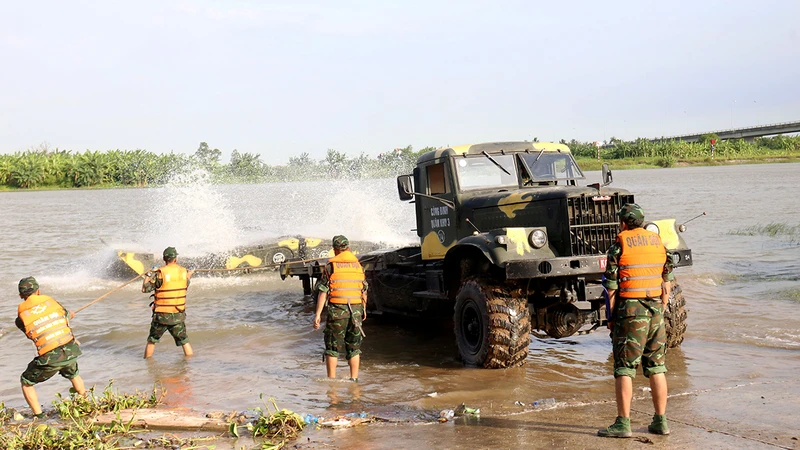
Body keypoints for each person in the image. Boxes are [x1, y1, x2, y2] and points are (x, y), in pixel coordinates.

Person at [598, 203, 674, 438]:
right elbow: (667, 282)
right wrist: (660, 307)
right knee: (657, 367)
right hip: (655, 311)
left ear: (622, 223)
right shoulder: (658, 242)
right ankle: (660, 422)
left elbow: (610, 288)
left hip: (630, 312)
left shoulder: (619, 245)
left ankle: (623, 423)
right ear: (642, 221)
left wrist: (611, 317)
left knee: (624, 368)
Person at [15, 277, 86, 419]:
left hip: (50, 356)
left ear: (21, 296)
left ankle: (39, 416)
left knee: (26, 381)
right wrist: (69, 315)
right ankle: (85, 402)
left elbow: (31, 333)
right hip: (70, 350)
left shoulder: (21, 318)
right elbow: (65, 316)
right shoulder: (52, 302)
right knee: (73, 374)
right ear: (39, 291)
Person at [312, 235, 367, 381]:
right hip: (356, 311)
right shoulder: (358, 265)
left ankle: (332, 382)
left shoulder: (331, 266)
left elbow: (323, 291)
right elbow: (364, 290)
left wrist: (317, 314)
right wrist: (364, 310)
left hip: (337, 311)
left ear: (335, 250)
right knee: (354, 348)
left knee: (332, 348)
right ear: (348, 248)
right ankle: (354, 379)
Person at [142, 246, 195, 359]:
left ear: (164, 259)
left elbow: (145, 289)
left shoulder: (160, 273)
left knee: (152, 340)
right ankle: (190, 364)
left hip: (161, 316)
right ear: (176, 259)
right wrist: (191, 272)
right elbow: (186, 282)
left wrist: (148, 274)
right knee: (184, 341)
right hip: (177, 314)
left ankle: (147, 364)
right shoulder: (183, 273)